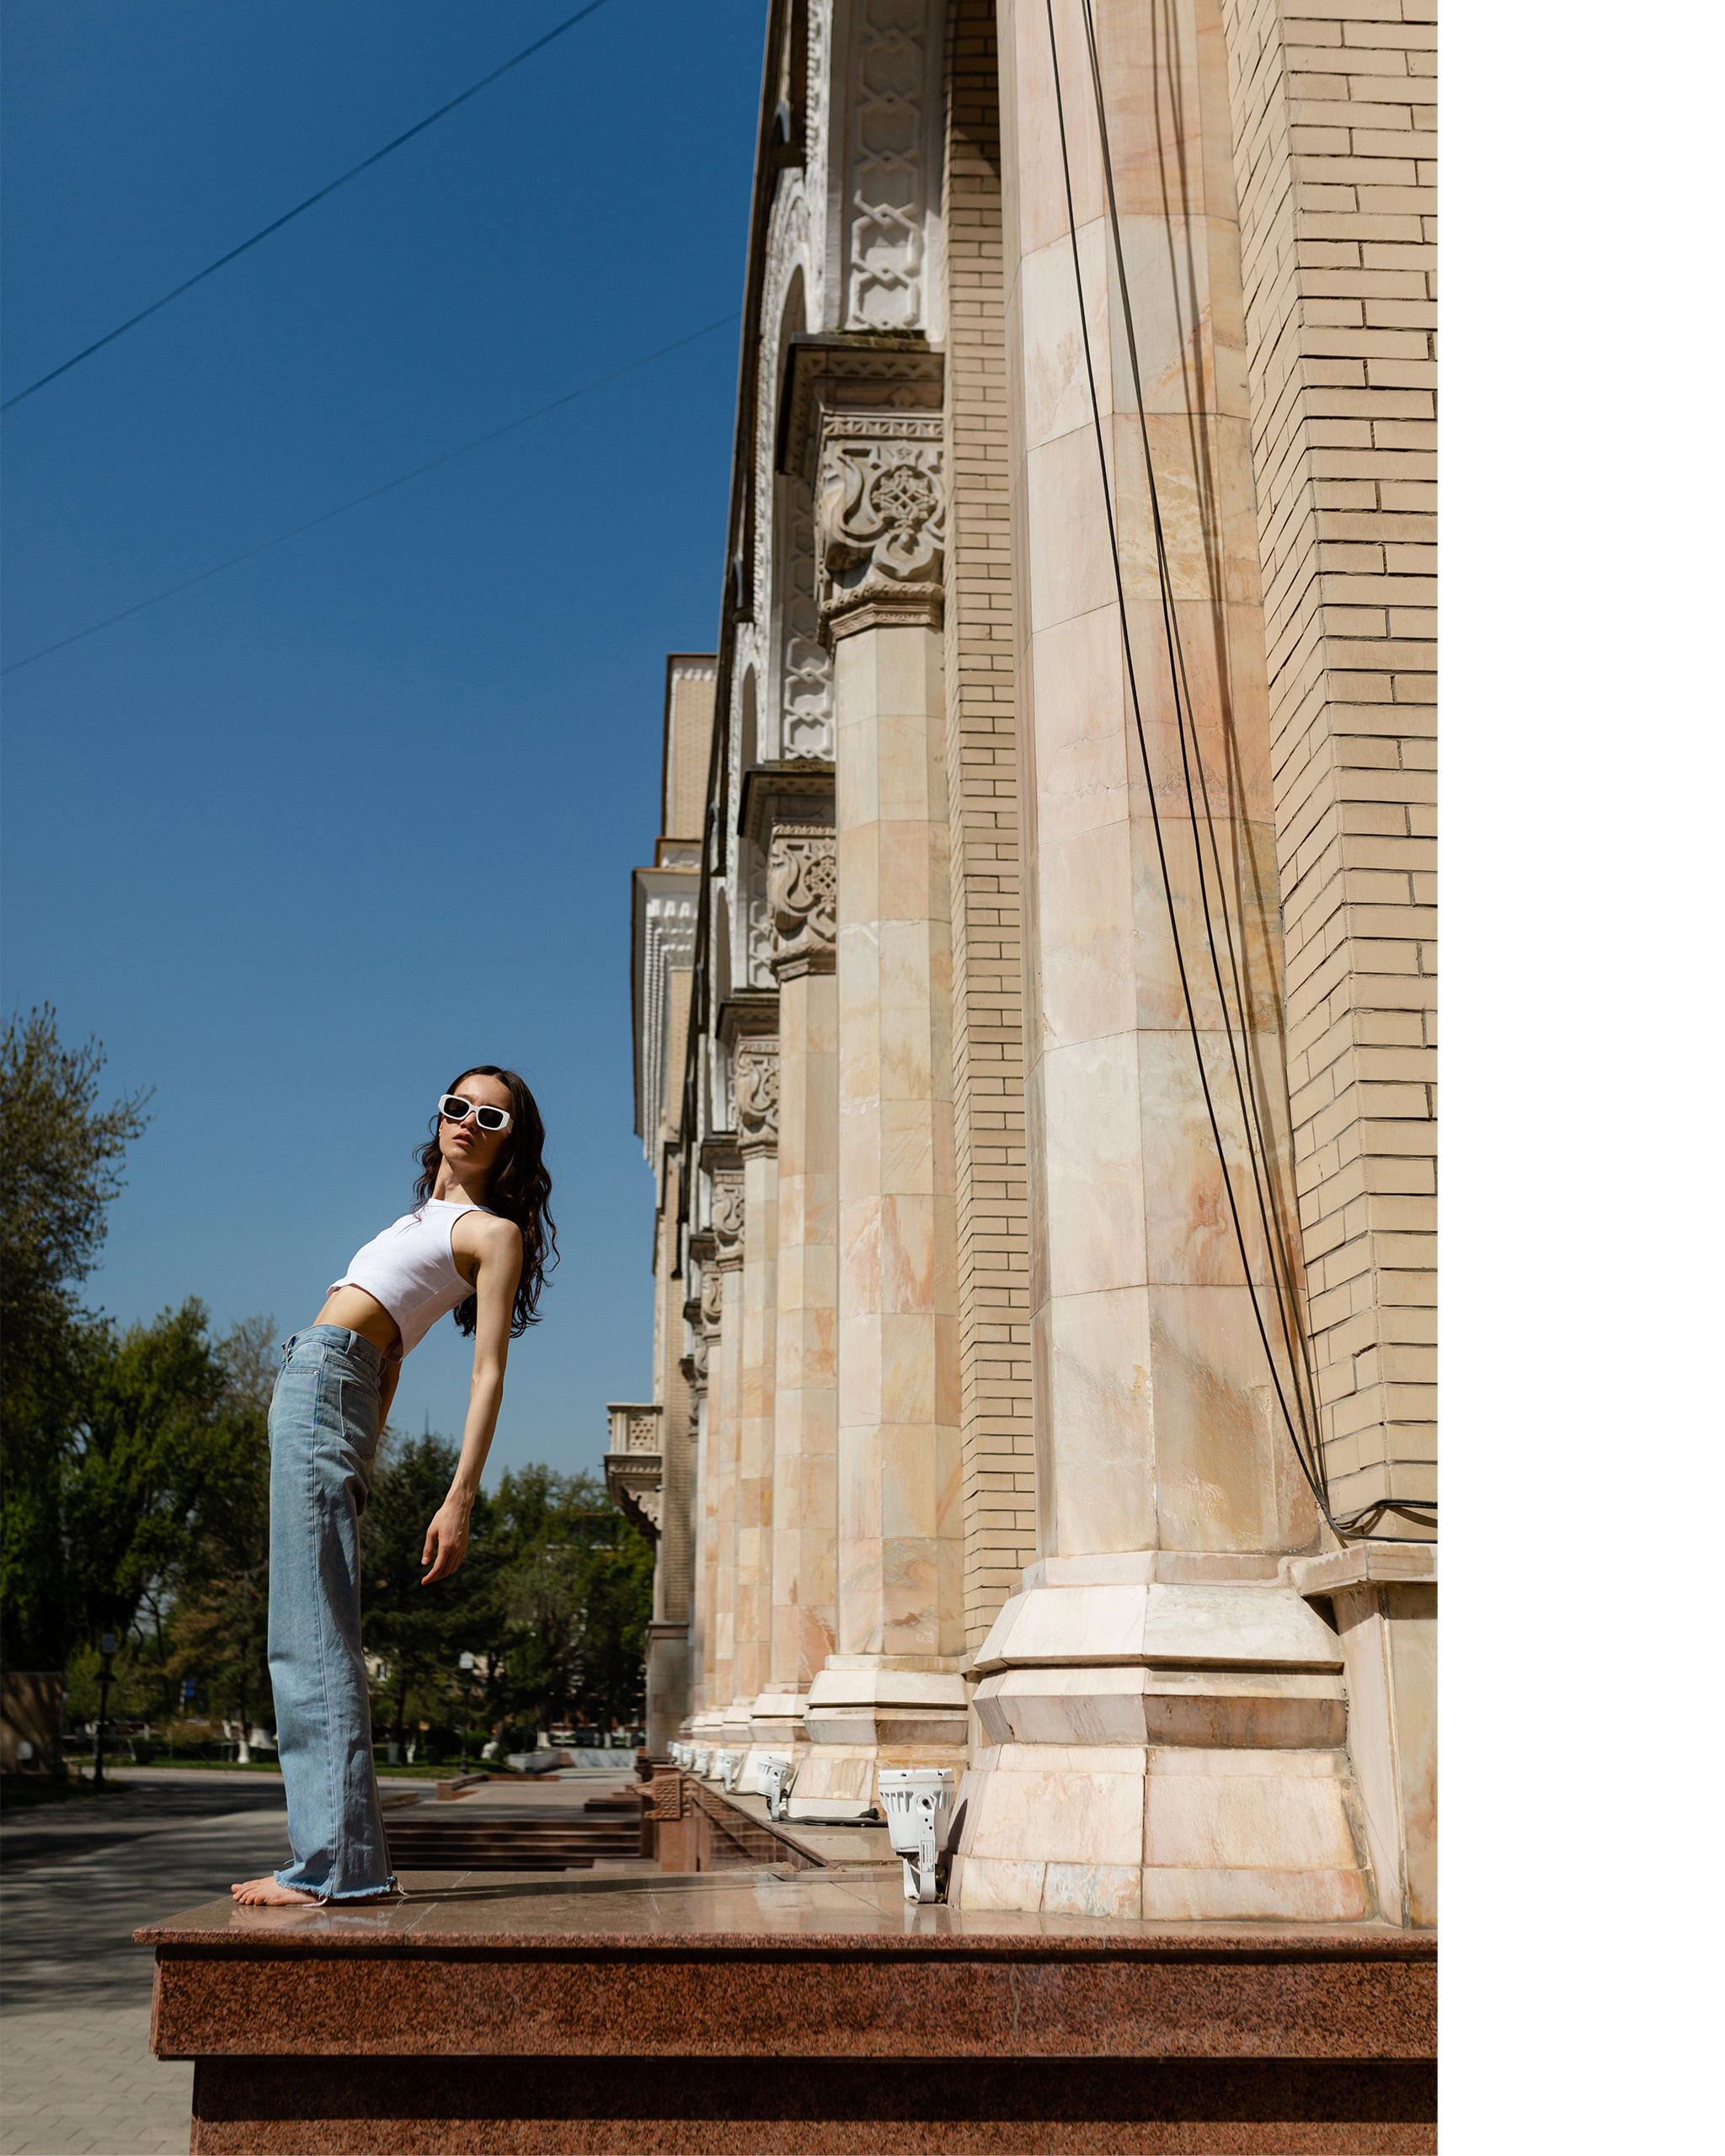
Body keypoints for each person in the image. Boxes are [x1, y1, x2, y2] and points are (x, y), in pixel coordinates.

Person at [231, 1067, 556, 1906]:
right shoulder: (415, 1219)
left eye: (492, 1117)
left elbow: (488, 1372)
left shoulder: (493, 1233)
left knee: (310, 1633)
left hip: (325, 1383)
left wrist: (459, 1496)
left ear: (511, 1143)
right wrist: (364, 1459)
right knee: (304, 1624)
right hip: (318, 1383)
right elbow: (394, 1357)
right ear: (438, 1117)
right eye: (457, 1106)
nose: (469, 1121)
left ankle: (335, 1866)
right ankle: (344, 1860)